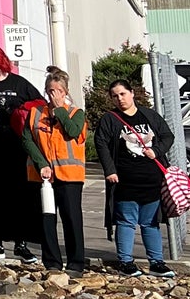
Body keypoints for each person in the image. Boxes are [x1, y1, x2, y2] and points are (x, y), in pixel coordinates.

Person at [95, 78, 176, 278]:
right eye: (115, 96)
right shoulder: (110, 119)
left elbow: (168, 136)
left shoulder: (150, 116)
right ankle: (126, 262)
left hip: (151, 180)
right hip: (124, 181)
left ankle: (157, 262)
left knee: (150, 222)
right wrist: (110, 170)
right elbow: (101, 144)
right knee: (126, 221)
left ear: (132, 93)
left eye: (122, 93)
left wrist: (156, 151)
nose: (119, 99)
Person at [0, 45, 44, 265]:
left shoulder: (19, 84)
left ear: (2, 62)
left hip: (16, 151)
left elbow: (40, 105)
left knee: (19, 197)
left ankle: (21, 244)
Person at [21, 69, 88, 274]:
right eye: (51, 90)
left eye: (58, 90)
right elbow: (27, 139)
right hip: (43, 177)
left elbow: (73, 131)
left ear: (65, 92)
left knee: (72, 220)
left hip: (69, 176)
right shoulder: (36, 113)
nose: (54, 94)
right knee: (46, 219)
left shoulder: (76, 113)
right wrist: (41, 163)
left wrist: (59, 110)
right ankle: (52, 263)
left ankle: (76, 263)